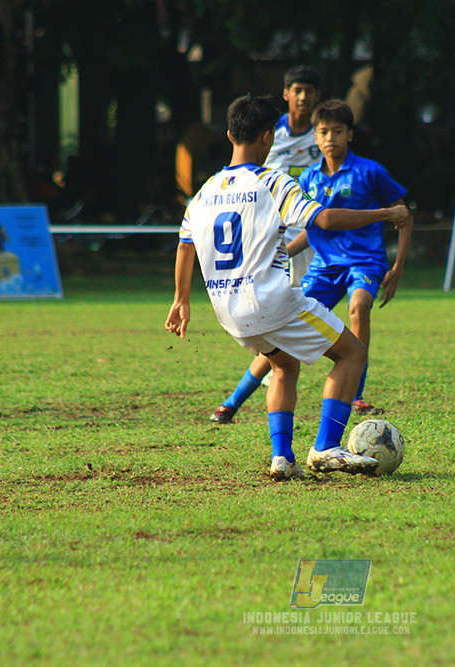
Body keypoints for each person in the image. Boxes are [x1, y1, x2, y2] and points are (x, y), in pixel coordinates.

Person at [166, 94, 409, 481]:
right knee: (352, 354)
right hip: (271, 301)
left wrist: (181, 300)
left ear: (230, 135)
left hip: (227, 311)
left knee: (283, 366)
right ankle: (326, 447)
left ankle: (282, 458)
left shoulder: (205, 190)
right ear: (269, 137)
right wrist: (386, 213)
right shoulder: (272, 182)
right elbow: (324, 219)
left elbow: (185, 243)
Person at [208, 99, 413, 424]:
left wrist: (397, 266)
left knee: (359, 306)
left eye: (337, 131)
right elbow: (312, 228)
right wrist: (283, 253)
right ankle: (232, 402)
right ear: (315, 138)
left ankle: (356, 396)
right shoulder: (308, 179)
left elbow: (403, 215)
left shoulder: (370, 171)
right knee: (277, 336)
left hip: (365, 262)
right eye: (323, 132)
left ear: (350, 135)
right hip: (324, 266)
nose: (329, 138)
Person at [265, 65, 323, 286]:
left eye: (309, 91)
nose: (303, 97)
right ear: (286, 93)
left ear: (317, 95)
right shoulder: (270, 131)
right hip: (272, 221)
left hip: (308, 221)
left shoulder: (324, 133)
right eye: (297, 90)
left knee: (308, 290)